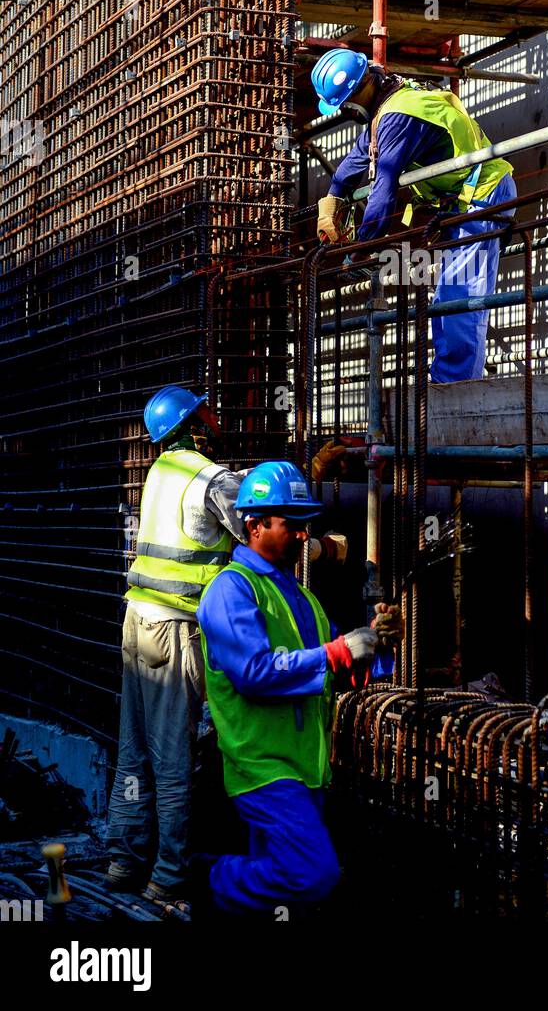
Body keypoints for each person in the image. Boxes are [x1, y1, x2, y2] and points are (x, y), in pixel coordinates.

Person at [106, 386, 346, 906]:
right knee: (174, 756)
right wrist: (328, 543)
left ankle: (124, 858)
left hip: (136, 620)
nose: (214, 425)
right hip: (175, 629)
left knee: (134, 750)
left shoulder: (159, 473)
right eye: (205, 417)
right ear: (192, 426)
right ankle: (170, 876)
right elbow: (265, 525)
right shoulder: (207, 477)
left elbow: (270, 517)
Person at [197, 460, 404, 916]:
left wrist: (376, 644)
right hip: (263, 766)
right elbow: (254, 672)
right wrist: (337, 652)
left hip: (306, 766)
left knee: (276, 882)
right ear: (254, 525)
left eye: (304, 525)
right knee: (313, 874)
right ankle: (214, 877)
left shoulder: (303, 597)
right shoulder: (231, 591)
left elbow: (334, 673)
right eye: (290, 525)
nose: (302, 536)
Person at [312, 49, 517, 383]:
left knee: (460, 296)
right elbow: (360, 158)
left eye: (343, 107)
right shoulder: (391, 104)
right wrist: (333, 197)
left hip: (482, 195)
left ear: (355, 97)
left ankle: (455, 393)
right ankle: (450, 383)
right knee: (447, 296)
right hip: (463, 201)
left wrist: (361, 251)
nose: (346, 113)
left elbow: (383, 190)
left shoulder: (398, 115)